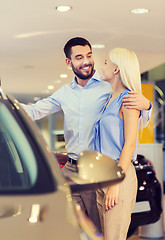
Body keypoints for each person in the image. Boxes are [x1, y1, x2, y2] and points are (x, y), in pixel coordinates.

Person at [21, 37, 152, 233]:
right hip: (72, 170)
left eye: (89, 55)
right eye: (79, 57)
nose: (87, 61)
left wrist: (148, 105)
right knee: (68, 229)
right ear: (69, 62)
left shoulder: (109, 87)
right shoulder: (64, 93)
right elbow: (33, 112)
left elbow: (133, 127)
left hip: (98, 172)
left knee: (101, 230)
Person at [94, 47, 145, 239]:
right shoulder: (109, 99)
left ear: (117, 69)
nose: (102, 66)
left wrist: (115, 184)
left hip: (118, 176)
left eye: (106, 62)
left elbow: (129, 145)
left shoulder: (129, 99)